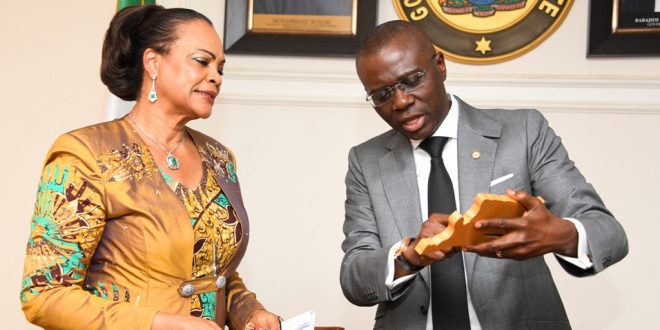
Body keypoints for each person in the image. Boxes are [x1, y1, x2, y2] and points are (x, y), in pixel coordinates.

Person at [339, 20, 628, 330]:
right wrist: (408, 255)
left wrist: (560, 234)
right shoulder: (366, 161)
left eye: (411, 80)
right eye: (381, 94)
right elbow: (354, 275)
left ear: (440, 66)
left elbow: (607, 233)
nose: (400, 101)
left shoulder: (524, 133)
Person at [20, 5, 281, 330]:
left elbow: (213, 271)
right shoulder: (86, 155)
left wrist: (249, 311)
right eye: (202, 61)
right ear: (153, 62)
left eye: (220, 68)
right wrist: (159, 324)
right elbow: (44, 294)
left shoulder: (219, 159)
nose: (215, 76)